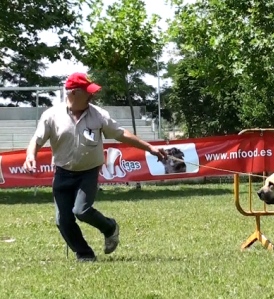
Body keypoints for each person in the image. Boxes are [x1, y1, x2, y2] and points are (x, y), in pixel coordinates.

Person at [23, 72, 167, 262]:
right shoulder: (51, 115)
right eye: (88, 91)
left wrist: (149, 147)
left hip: (88, 172)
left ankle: (110, 228)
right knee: (63, 220)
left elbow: (120, 134)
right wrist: (30, 155)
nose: (93, 95)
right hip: (63, 172)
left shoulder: (99, 115)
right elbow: (37, 139)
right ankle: (84, 254)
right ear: (73, 93)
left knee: (81, 211)